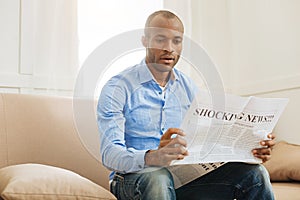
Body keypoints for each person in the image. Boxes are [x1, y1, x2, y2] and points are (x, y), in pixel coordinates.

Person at [97, 10, 275, 200]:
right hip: (132, 180)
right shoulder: (118, 87)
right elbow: (110, 154)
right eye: (160, 40)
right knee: (158, 177)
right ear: (145, 41)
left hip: (181, 179)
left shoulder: (189, 87)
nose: (169, 48)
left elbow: (209, 139)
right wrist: (152, 157)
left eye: (176, 41)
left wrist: (251, 148)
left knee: (255, 174)